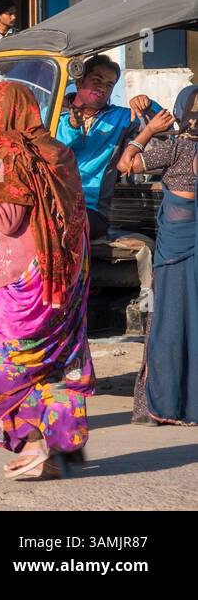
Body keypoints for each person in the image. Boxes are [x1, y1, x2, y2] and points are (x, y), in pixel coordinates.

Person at [0, 80, 92, 481]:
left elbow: (8, 219)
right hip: (62, 280)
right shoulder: (57, 152)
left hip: (19, 284)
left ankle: (30, 444)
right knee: (51, 365)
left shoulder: (7, 156)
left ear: (1, 112)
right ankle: (63, 443)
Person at [116, 86, 198, 427]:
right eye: (194, 110)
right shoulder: (176, 146)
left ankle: (174, 404)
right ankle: (170, 404)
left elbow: (126, 164)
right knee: (179, 324)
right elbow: (127, 164)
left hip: (180, 249)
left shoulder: (177, 144)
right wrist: (149, 120)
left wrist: (149, 121)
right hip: (179, 249)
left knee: (179, 324)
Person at [53, 54, 159, 240]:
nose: (102, 87)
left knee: (59, 230)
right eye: (97, 80)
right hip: (51, 202)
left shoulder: (121, 118)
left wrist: (149, 106)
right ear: (79, 81)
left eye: (109, 84)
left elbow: (161, 127)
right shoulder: (52, 113)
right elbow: (51, 152)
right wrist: (72, 127)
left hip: (90, 208)